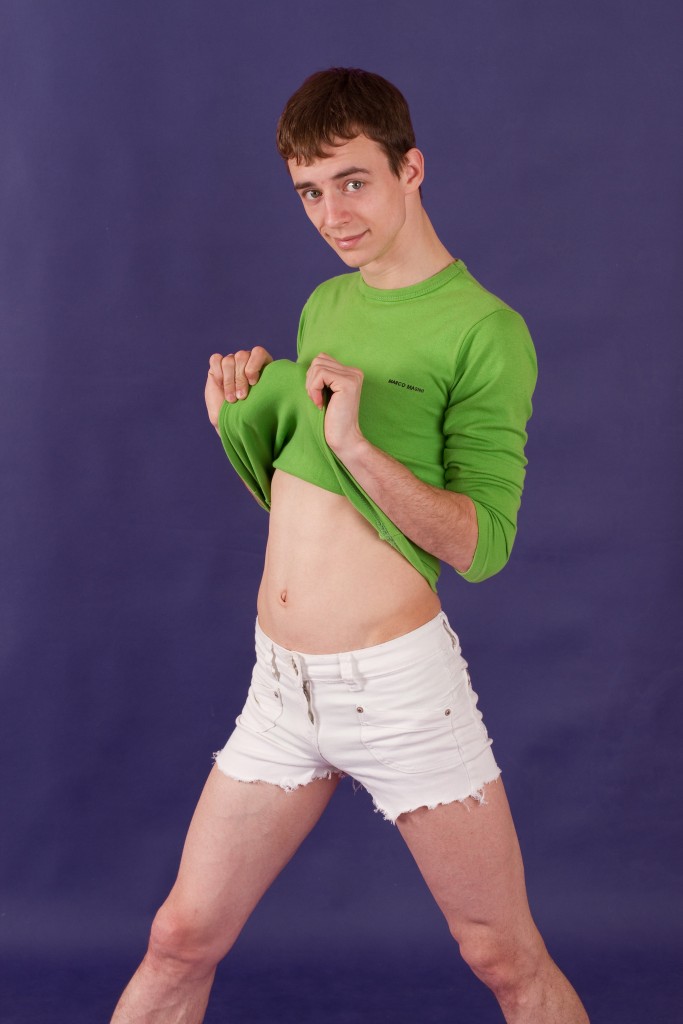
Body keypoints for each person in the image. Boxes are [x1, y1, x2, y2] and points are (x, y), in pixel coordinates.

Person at [111, 68, 589, 1023]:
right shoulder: (325, 303)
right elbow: (309, 510)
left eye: (353, 181)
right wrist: (237, 422)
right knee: (179, 937)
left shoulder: (485, 331)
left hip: (395, 689)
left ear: (411, 168)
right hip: (280, 688)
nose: (332, 215)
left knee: (501, 955)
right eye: (309, 191)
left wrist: (360, 447)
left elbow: (480, 544)